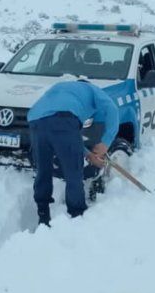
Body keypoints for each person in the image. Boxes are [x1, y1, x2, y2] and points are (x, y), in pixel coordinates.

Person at [27, 79, 119, 226]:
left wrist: (88, 154)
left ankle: (43, 215)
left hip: (35, 120)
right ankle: (77, 217)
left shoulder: (60, 87)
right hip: (64, 119)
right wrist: (106, 143)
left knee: (43, 171)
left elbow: (68, 140)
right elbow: (112, 109)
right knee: (73, 172)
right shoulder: (92, 89)